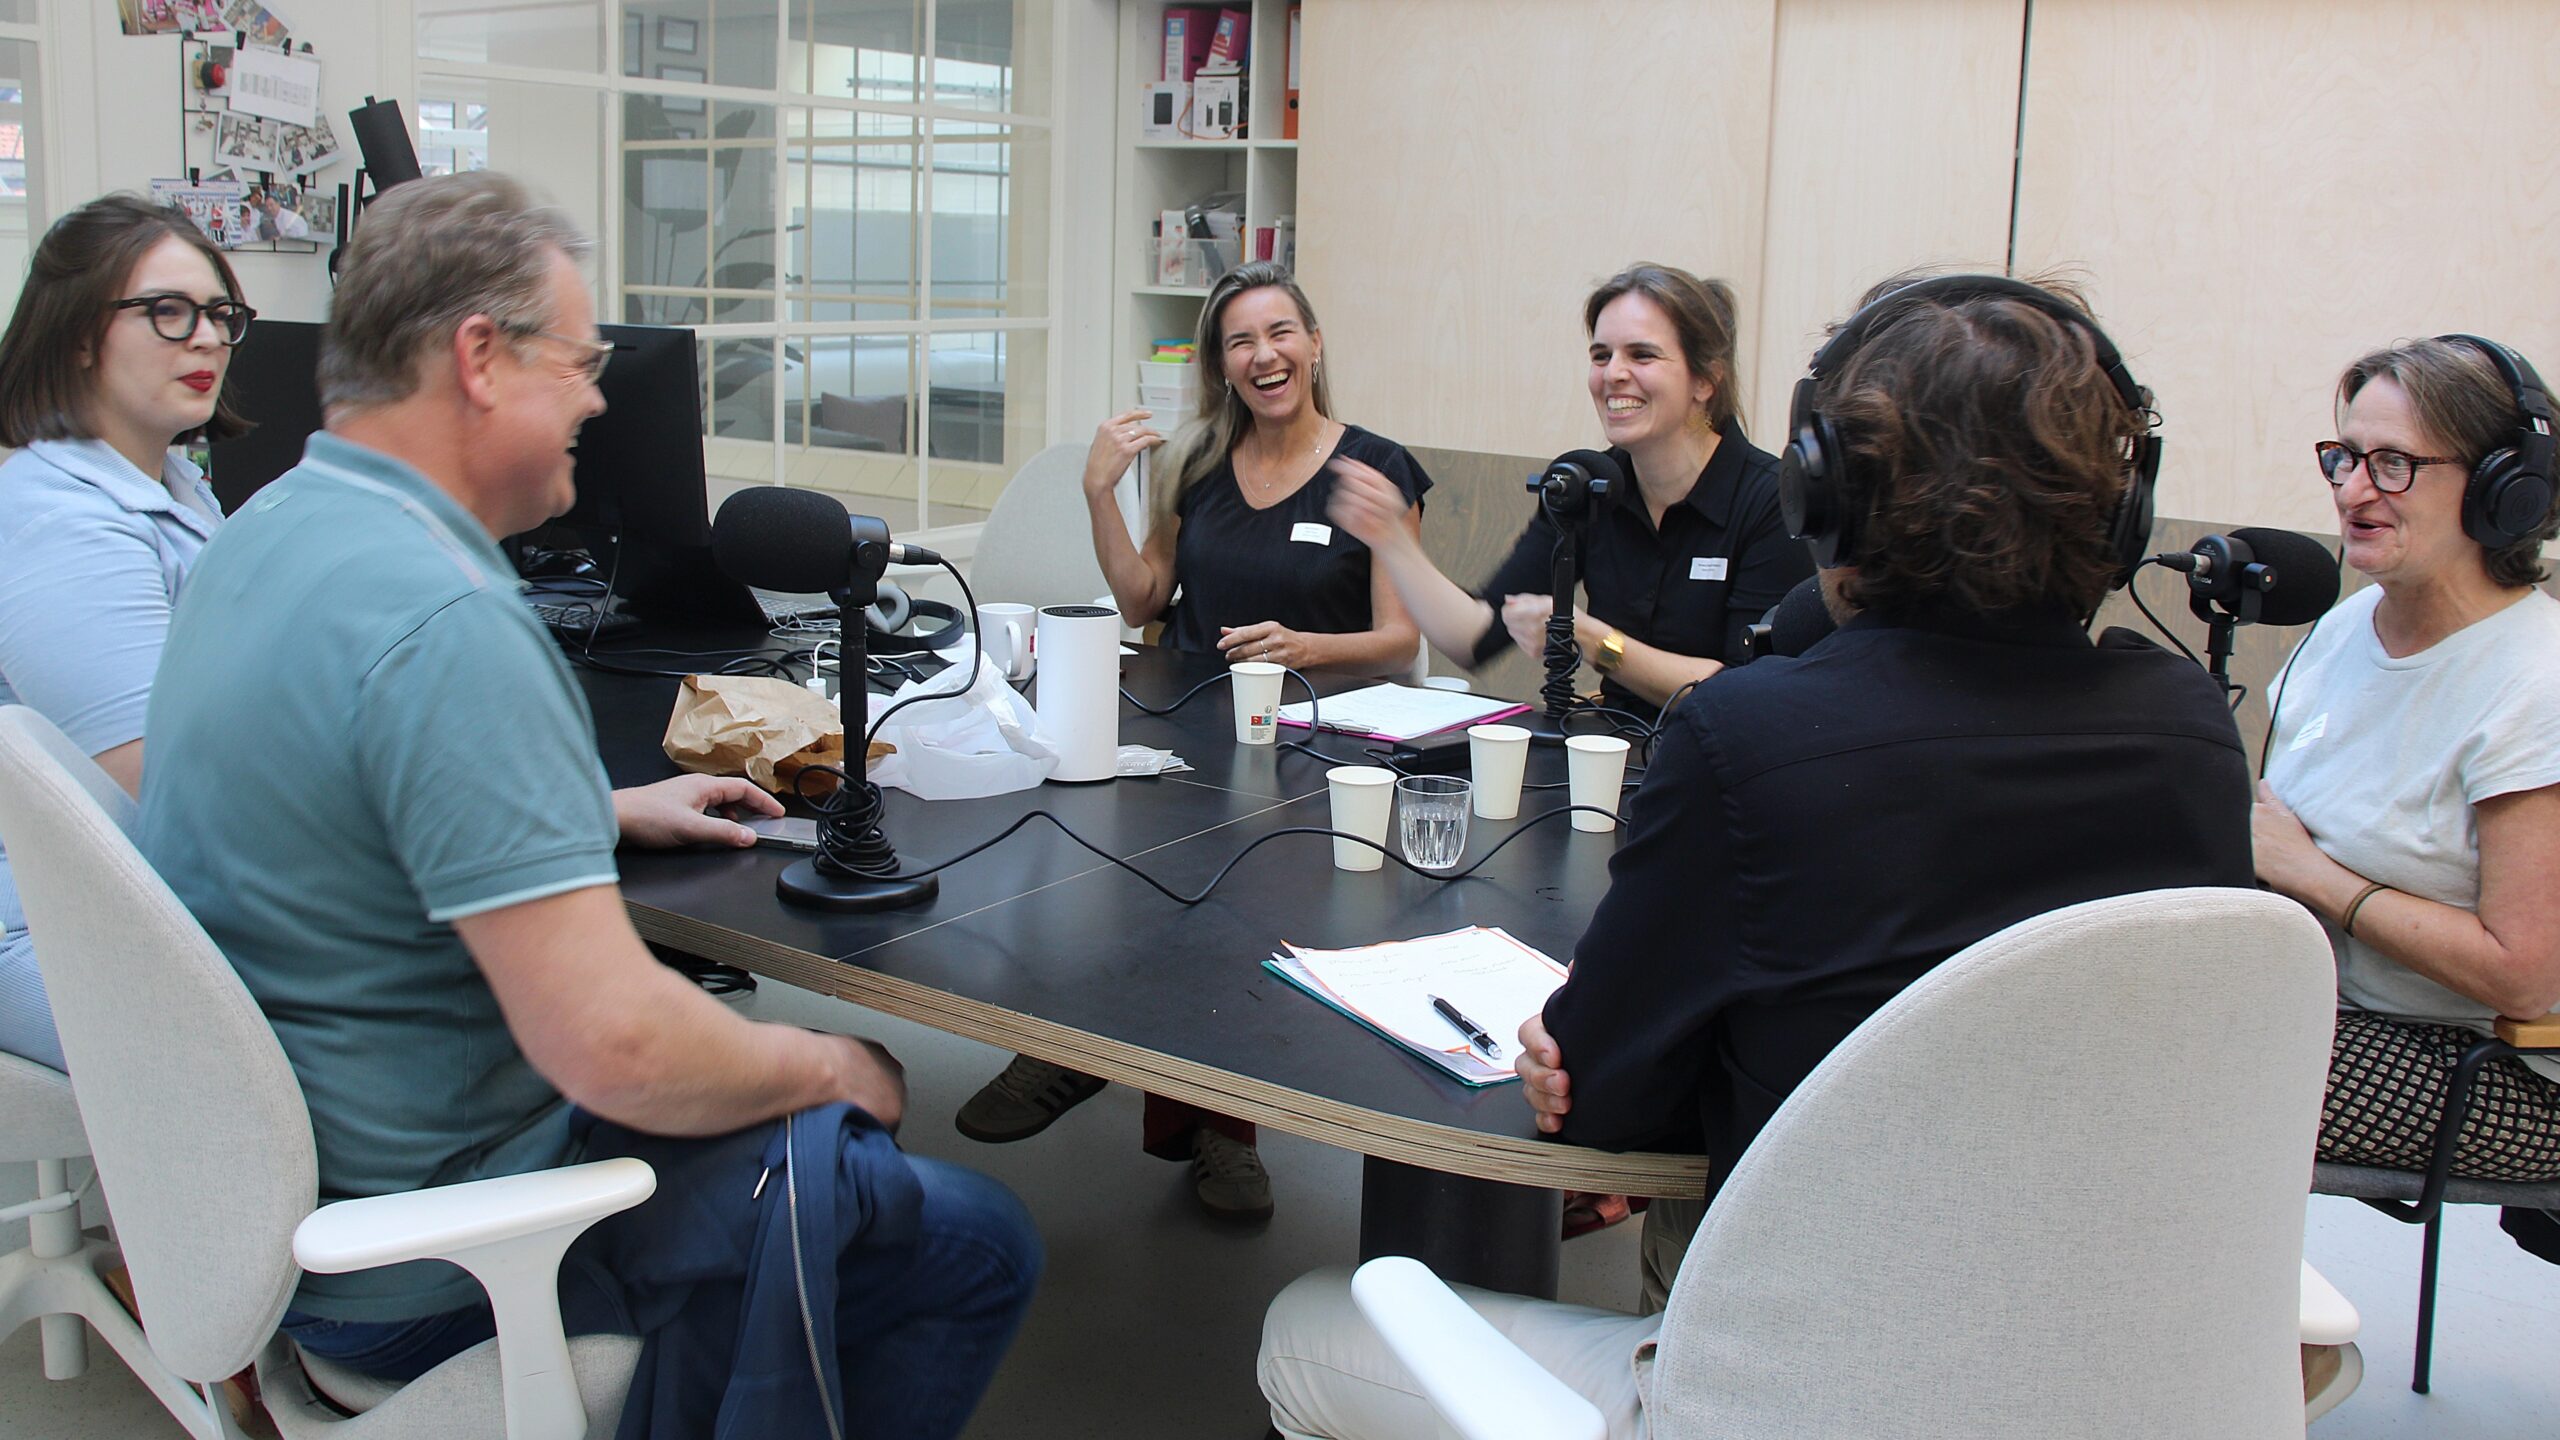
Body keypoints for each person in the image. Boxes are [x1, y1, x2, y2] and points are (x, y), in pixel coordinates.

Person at [1256, 274, 2256, 1440]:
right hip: (2103, 1362)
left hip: (1805, 1385)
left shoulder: (1748, 740)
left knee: (1307, 1321)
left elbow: (1600, 1102)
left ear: (1824, 497)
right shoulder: (2191, 730)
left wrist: (1583, 1043)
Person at [136, 172, 1038, 1436]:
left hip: (275, 1214)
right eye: (580, 361)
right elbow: (613, 1046)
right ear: (480, 359)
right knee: (974, 1239)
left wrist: (588, 808)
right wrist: (828, 1062)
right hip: (424, 1262)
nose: (599, 400)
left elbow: (352, 801)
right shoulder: (448, 624)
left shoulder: (267, 527)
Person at [954, 262, 1433, 1223]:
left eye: (1281, 332)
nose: (1266, 356)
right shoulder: (1198, 464)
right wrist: (1101, 493)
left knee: (1232, 917)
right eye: (1242, 341)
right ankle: (1069, 1051)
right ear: (1222, 366)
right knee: (1093, 873)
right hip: (1181, 720)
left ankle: (1219, 1122)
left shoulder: (1376, 471)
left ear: (1315, 343)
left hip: (1302, 738)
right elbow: (1143, 601)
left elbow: (1400, 636)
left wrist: (1306, 645)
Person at [2252, 335, 2560, 1185]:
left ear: (2504, 488)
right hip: (2329, 1012)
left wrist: (2319, 880)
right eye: (2345, 458)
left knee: (2184, 1078)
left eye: (2393, 464)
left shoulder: (2539, 684)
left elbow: (2524, 977)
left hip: (2494, 1072)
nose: (2354, 490)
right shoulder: (2347, 628)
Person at [0, 194, 254, 1071]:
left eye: (221, 315)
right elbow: (166, 781)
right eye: (168, 312)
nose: (209, 339)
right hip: (50, 929)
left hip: (147, 896)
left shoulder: (180, 486)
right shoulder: (57, 516)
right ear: (76, 335)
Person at [1330, 262, 1815, 718]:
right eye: (1601, 355)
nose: (1613, 374)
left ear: (1705, 380)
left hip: (1723, 772)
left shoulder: (1769, 501)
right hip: (1611, 757)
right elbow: (1473, 636)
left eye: (1641, 354)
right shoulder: (1586, 486)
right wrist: (1393, 541)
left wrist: (1590, 636)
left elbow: (1746, 693)